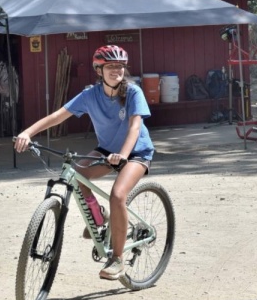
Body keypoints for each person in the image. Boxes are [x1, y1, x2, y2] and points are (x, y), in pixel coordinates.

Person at [13, 45, 154, 280]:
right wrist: (28, 133)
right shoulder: (90, 95)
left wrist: (123, 155)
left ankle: (117, 259)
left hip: (136, 152)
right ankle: (99, 218)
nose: (116, 70)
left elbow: (134, 127)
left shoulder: (133, 93)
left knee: (118, 195)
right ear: (99, 70)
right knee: (77, 175)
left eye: (119, 66)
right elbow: (57, 116)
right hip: (107, 150)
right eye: (110, 66)